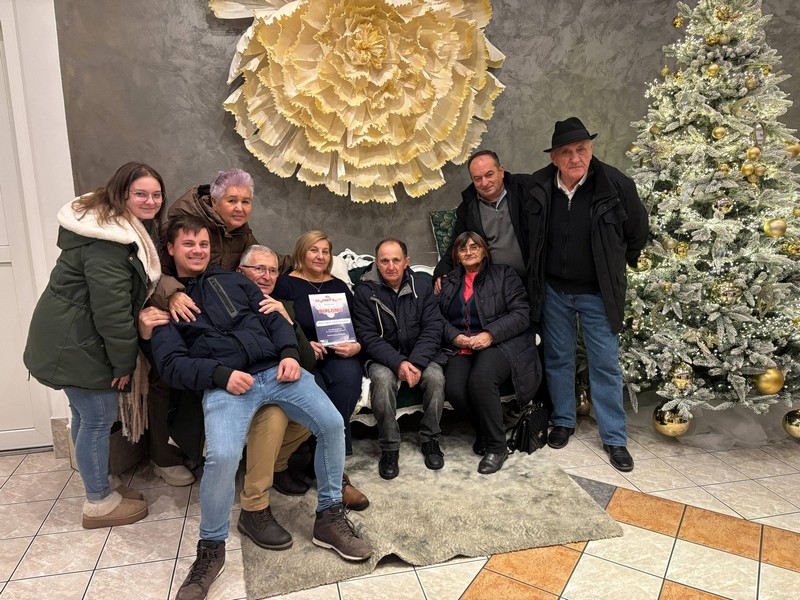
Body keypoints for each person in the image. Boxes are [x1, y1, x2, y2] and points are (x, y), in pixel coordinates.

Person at [150, 216, 372, 600]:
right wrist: (220, 374)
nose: (198, 251)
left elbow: (274, 315)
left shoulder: (236, 282)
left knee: (332, 423)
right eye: (188, 244)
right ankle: (211, 549)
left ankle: (329, 516)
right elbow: (170, 365)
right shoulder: (165, 303)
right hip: (226, 385)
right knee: (222, 456)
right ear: (171, 249)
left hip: (276, 370)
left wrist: (289, 354)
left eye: (203, 244)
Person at [23, 162, 166, 528]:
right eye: (141, 194)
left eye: (156, 194)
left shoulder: (113, 225)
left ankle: (100, 482)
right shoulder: (108, 243)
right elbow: (112, 312)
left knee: (86, 416)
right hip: (78, 341)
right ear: (122, 194)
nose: (151, 201)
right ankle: (99, 503)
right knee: (98, 418)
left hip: (73, 335)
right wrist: (123, 363)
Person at [525, 117, 649, 472]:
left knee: (605, 364)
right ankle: (564, 421)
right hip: (554, 289)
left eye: (581, 149)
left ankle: (614, 438)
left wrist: (613, 265)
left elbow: (638, 232)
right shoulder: (539, 186)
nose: (575, 157)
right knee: (558, 359)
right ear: (554, 158)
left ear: (591, 150)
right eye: (566, 152)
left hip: (597, 291)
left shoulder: (616, 185)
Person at [146, 168, 283, 487]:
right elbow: (151, 270)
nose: (240, 208)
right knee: (167, 372)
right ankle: (162, 455)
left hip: (215, 312)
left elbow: (256, 261)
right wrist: (172, 292)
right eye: (232, 201)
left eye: (246, 202)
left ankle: (219, 449)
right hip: (175, 305)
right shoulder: (183, 220)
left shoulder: (240, 230)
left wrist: (306, 267)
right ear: (214, 201)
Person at [235, 245, 368, 550]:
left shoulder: (285, 304)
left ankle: (329, 511)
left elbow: (305, 360)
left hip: (285, 379)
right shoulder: (230, 301)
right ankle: (253, 508)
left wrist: (289, 321)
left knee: (327, 415)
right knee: (273, 417)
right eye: (259, 269)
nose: (266, 276)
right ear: (241, 272)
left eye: (272, 270)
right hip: (246, 381)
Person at [437, 232, 540, 474]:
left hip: (500, 342)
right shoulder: (450, 281)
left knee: (481, 380)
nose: (469, 252)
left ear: (484, 250)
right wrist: (454, 336)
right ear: (456, 255)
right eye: (463, 249)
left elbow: (521, 313)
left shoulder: (504, 275)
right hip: (462, 345)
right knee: (453, 388)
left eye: (474, 247)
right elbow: (435, 317)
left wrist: (490, 334)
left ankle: (497, 446)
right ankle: (486, 430)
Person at [353, 238, 447, 480]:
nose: (391, 266)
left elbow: (433, 328)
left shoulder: (422, 287)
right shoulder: (364, 292)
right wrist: (398, 363)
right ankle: (389, 447)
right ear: (377, 263)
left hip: (419, 354)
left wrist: (416, 362)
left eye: (396, 260)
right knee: (383, 381)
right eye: (384, 261)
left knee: (435, 377)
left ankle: (430, 439)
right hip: (382, 356)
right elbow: (367, 337)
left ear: (407, 262)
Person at [272, 231, 363, 456]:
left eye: (325, 251)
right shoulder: (285, 284)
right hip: (303, 355)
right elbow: (277, 323)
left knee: (349, 377)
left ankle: (331, 453)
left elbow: (359, 324)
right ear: (302, 252)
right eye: (314, 250)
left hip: (338, 354)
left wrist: (356, 346)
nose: (320, 256)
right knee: (317, 393)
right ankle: (324, 454)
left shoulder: (339, 286)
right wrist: (303, 344)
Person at [432, 150, 531, 292]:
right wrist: (442, 270)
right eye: (478, 179)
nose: (484, 183)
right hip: (496, 285)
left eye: (489, 175)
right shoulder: (468, 207)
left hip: (535, 276)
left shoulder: (525, 189)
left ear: (501, 171)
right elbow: (456, 243)